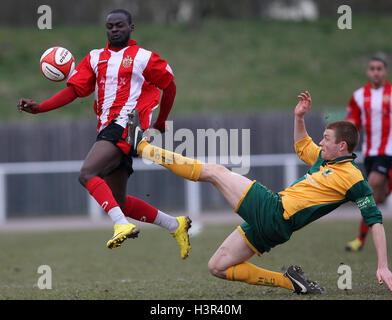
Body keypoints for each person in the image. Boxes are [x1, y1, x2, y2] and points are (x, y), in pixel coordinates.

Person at [128, 91, 392, 293]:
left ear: (342, 145)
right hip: (277, 227)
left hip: (276, 212)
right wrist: (299, 117)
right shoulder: (324, 158)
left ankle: (142, 148)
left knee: (216, 172)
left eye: (326, 138)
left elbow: (374, 220)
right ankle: (292, 283)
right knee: (217, 267)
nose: (321, 142)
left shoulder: (354, 178)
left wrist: (382, 265)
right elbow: (302, 145)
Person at [17, 9, 191, 258]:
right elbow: (74, 91)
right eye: (110, 26)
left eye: (119, 25)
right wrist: (40, 108)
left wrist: (161, 121)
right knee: (118, 202)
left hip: (127, 126)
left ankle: (121, 225)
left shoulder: (143, 57)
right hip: (109, 128)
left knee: (87, 173)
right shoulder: (95, 58)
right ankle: (176, 225)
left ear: (131, 28)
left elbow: (169, 86)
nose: (114, 30)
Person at [345, 56, 392, 252]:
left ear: (385, 72)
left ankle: (359, 240)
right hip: (371, 154)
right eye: (372, 68)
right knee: (378, 199)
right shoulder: (358, 95)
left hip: (388, 152)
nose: (376, 72)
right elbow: (353, 120)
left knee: (369, 191)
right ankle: (362, 239)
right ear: (368, 72)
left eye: (379, 68)